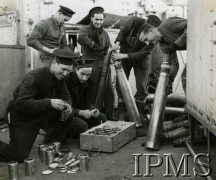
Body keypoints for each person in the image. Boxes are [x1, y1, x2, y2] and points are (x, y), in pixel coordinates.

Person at [0, 48, 88, 163]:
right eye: (64, 69)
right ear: (54, 64)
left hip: (40, 112)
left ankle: (50, 143)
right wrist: (50, 102)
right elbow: (21, 103)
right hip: (21, 116)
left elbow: (67, 98)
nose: (66, 74)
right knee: (17, 156)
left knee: (68, 113)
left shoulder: (59, 77)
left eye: (69, 71)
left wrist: (68, 107)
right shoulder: (35, 77)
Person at [111, 15, 160, 121]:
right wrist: (117, 44)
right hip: (125, 55)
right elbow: (123, 32)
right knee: (121, 84)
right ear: (150, 31)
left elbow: (142, 54)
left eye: (150, 43)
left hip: (140, 60)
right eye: (148, 40)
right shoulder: (134, 21)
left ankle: (140, 114)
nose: (147, 43)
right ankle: (122, 113)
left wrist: (122, 56)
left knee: (142, 86)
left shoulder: (153, 41)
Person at [78, 7, 117, 121]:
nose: (99, 22)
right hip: (91, 64)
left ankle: (109, 114)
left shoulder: (105, 33)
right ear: (91, 18)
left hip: (104, 63)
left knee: (108, 89)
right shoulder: (85, 29)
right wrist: (96, 46)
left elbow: (109, 46)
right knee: (92, 90)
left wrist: (111, 51)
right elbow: (81, 38)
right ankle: (94, 115)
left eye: (101, 20)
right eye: (96, 19)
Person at [139, 17, 187, 92]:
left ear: (151, 31)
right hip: (197, 51)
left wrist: (176, 44)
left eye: (146, 39)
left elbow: (190, 25)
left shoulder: (167, 24)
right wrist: (168, 82)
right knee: (186, 75)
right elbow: (175, 64)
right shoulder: (164, 47)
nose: (147, 43)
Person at [66, 59, 106, 128]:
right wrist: (80, 112)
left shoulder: (90, 84)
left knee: (101, 118)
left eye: (88, 75)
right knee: (82, 126)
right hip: (68, 114)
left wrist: (93, 109)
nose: (85, 78)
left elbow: (89, 102)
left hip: (81, 113)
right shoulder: (67, 81)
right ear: (76, 70)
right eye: (82, 74)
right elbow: (63, 106)